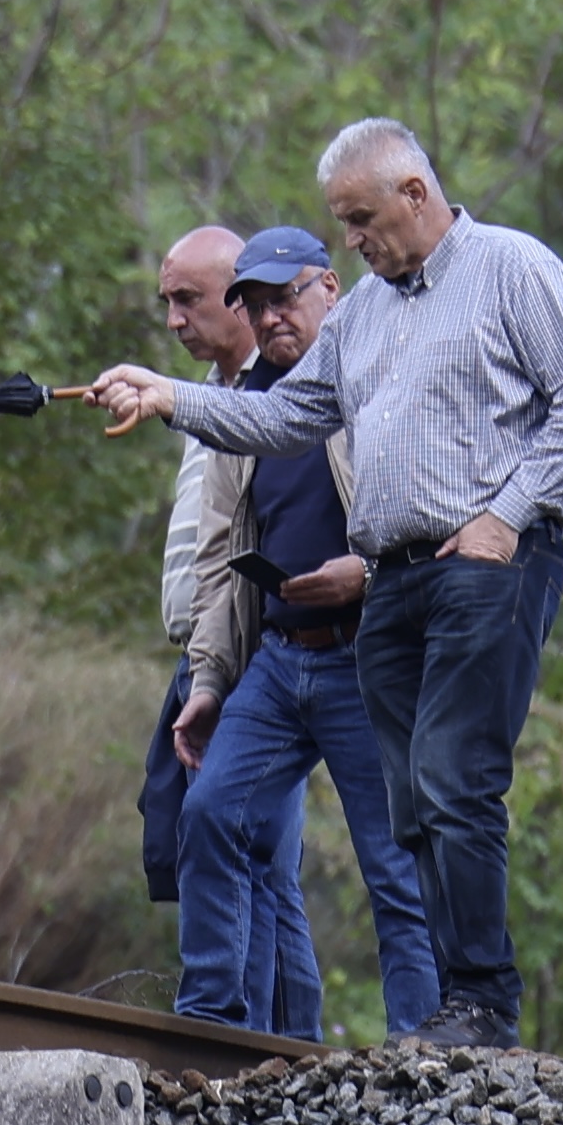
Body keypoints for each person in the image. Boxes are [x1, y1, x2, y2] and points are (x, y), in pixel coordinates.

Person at [92, 119, 563, 1049]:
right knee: (412, 806)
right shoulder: (367, 313)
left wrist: (506, 516)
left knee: (456, 779)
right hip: (397, 581)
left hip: (488, 561)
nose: (354, 241)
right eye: (343, 224)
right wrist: (171, 396)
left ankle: (482, 1005)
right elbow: (289, 413)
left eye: (362, 218)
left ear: (415, 193)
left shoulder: (512, 268)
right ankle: (452, 1007)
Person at [170, 226, 439, 1037]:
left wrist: (365, 573)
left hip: (367, 656)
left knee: (394, 863)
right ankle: (213, 1023)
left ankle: (426, 1047)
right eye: (255, 302)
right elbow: (219, 556)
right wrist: (211, 680)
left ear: (329, 286)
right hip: (280, 659)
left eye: (285, 296)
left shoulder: (380, 375)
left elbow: (440, 516)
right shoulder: (244, 406)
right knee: (211, 812)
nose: (271, 315)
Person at [137, 227, 315, 1034]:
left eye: (190, 299)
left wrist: (223, 663)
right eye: (167, 301)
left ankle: (262, 1045)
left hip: (260, 649)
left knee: (254, 855)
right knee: (203, 835)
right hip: (207, 651)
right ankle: (240, 1034)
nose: (174, 319)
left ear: (239, 304)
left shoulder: (284, 398)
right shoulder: (212, 392)